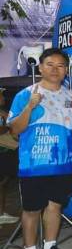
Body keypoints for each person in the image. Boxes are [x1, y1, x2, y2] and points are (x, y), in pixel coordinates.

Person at [8, 48, 72, 249]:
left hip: (63, 163)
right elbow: (15, 130)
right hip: (34, 164)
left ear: (66, 70)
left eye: (60, 65)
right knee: (32, 209)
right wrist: (30, 107)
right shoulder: (25, 95)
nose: (55, 69)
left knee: (55, 206)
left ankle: (49, 248)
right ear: (40, 67)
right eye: (50, 64)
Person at [0, 87, 19, 225]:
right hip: (5, 150)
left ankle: (1, 213)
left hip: (9, 150)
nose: (3, 98)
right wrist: (9, 125)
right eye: (1, 95)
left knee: (3, 183)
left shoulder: (3, 112)